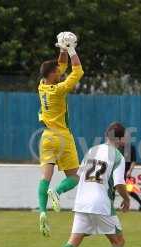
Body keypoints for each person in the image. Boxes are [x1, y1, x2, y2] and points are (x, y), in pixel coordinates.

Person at [49, 122, 137, 247]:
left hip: (82, 202)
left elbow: (79, 176)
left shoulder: (92, 151)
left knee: (73, 241)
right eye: (125, 137)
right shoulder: (117, 156)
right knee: (118, 241)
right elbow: (119, 183)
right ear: (119, 139)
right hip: (100, 203)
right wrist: (126, 199)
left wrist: (61, 189)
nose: (126, 140)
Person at [37, 32, 84, 236]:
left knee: (44, 178)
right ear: (54, 75)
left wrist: (62, 48)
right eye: (58, 71)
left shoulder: (42, 85)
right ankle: (57, 192)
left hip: (46, 137)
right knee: (74, 177)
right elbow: (77, 71)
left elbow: (61, 66)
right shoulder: (59, 89)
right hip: (62, 137)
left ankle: (41, 211)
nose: (60, 72)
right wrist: (72, 50)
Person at [118, 138, 141, 211]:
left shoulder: (131, 148)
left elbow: (133, 161)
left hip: (127, 173)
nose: (122, 141)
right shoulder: (117, 148)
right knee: (114, 189)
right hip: (118, 173)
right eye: (121, 139)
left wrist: (130, 171)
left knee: (130, 190)